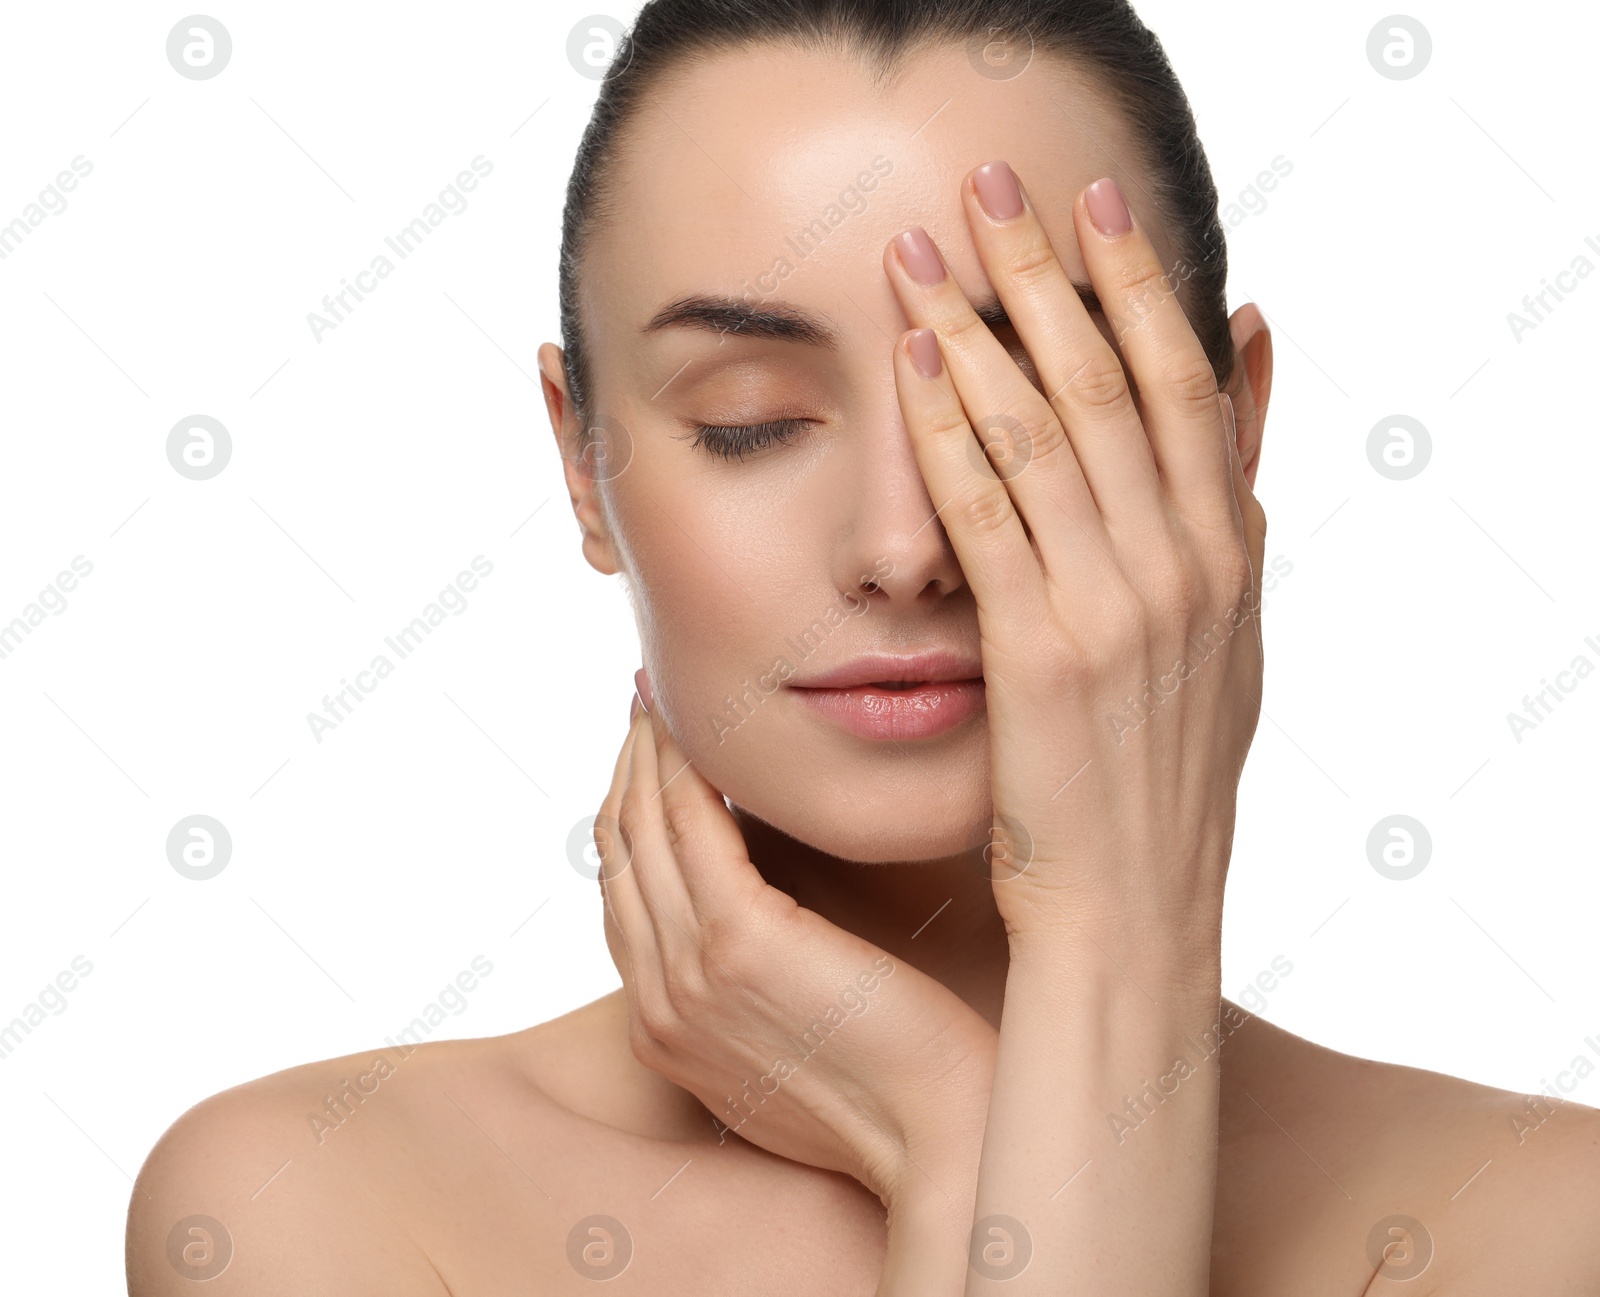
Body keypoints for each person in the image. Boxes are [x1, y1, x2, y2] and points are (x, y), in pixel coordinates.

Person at [126, 2, 1600, 1292]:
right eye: (749, 420)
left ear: (1230, 435)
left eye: (1024, 395)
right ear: (583, 462)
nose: (903, 548)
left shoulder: (1538, 1226)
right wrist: (954, 1146)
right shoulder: (313, 1208)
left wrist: (1107, 960)